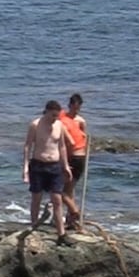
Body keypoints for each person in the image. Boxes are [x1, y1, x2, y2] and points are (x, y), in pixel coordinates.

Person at [24, 100, 74, 246]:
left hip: (55, 166)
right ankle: (33, 228)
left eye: (57, 116)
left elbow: (62, 146)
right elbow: (27, 146)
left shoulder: (59, 125)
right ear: (46, 112)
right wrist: (26, 167)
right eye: (53, 115)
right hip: (38, 165)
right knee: (36, 198)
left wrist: (66, 166)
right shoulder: (35, 125)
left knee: (57, 199)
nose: (55, 119)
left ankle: (61, 234)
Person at [59, 93, 89, 231]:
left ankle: (74, 213)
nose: (75, 110)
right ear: (69, 105)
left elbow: (82, 140)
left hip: (76, 157)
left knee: (62, 191)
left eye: (78, 108)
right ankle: (70, 220)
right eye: (73, 107)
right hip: (71, 156)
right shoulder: (63, 118)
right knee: (69, 190)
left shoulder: (80, 121)